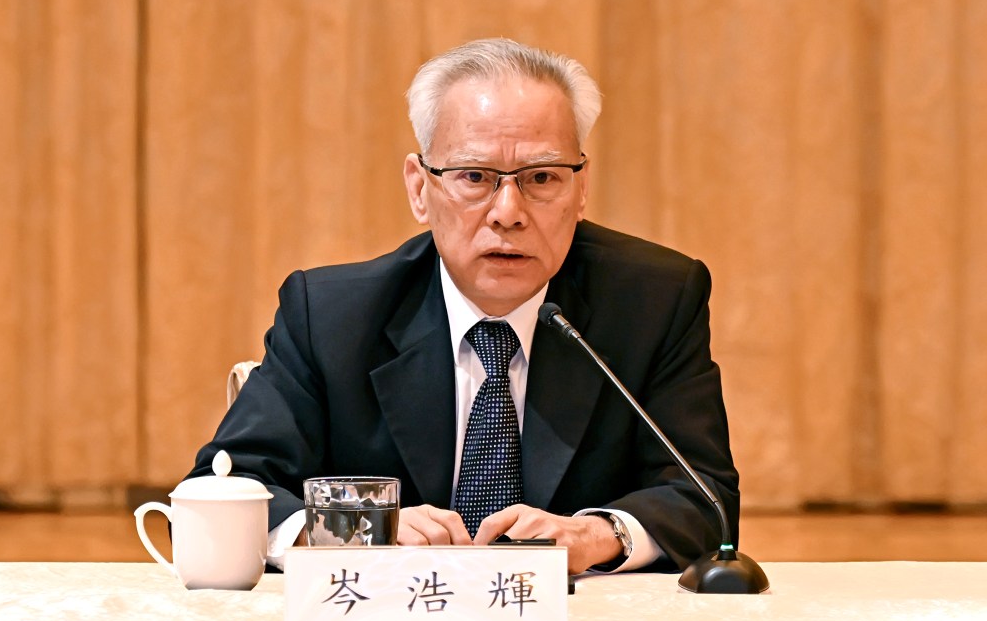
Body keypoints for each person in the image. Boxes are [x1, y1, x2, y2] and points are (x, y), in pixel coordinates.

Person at [186, 38, 739, 575]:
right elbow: (221, 488)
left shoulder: (654, 300)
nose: (508, 212)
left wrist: (598, 535)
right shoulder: (331, 316)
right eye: (475, 177)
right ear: (419, 188)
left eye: (541, 177)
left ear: (581, 187)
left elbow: (703, 496)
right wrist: (362, 529)